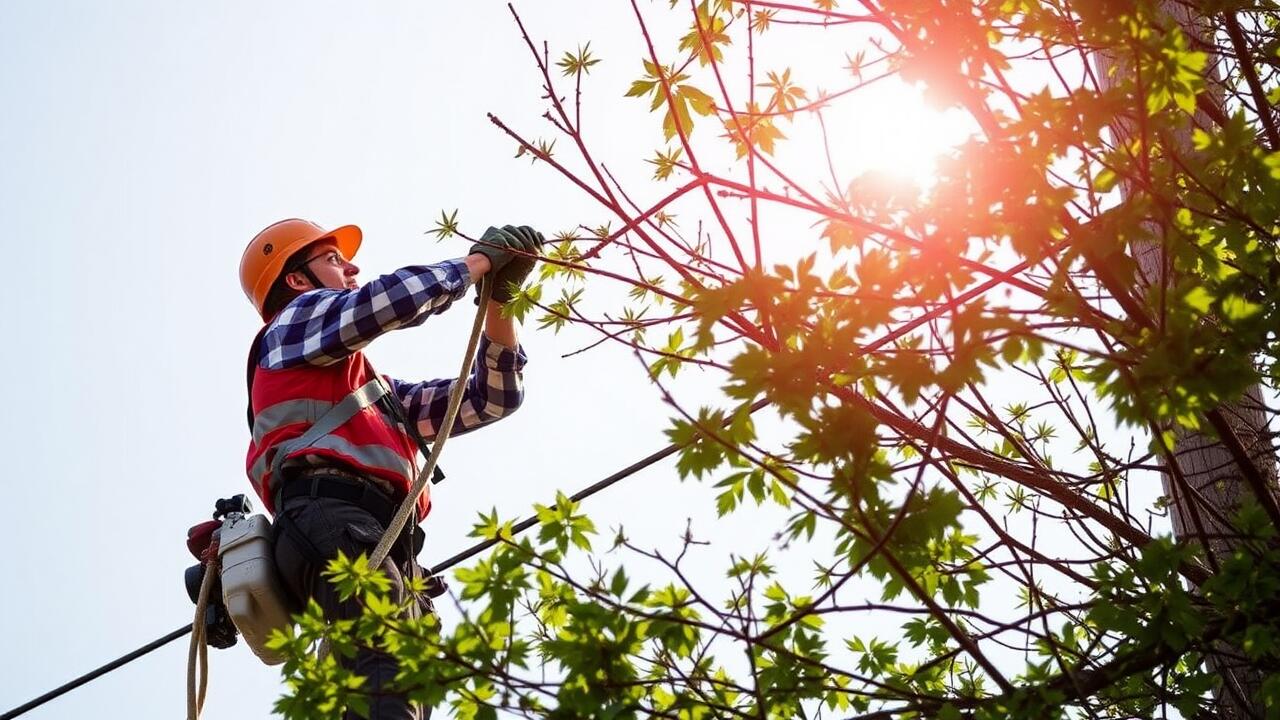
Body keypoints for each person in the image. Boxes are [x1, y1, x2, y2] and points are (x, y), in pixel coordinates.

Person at [238, 218, 542, 719]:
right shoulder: (293, 323)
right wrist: (477, 265)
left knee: (396, 688)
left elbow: (493, 398)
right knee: (387, 673)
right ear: (297, 279)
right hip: (333, 516)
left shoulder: (374, 395)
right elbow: (384, 304)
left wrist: (499, 300)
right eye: (333, 259)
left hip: (377, 538)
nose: (351, 265)